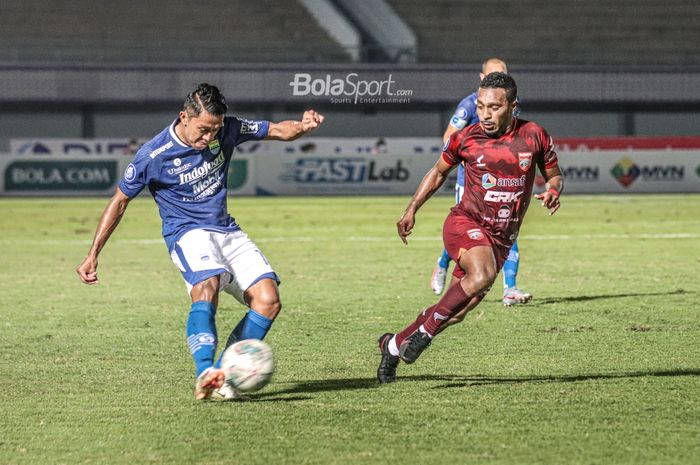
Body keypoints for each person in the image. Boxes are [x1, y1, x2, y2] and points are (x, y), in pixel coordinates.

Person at [77, 83, 324, 400]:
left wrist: (302, 126)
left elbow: (278, 130)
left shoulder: (228, 129)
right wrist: (92, 254)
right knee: (206, 287)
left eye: (215, 130)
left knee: (269, 301)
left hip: (227, 230)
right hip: (187, 233)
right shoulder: (153, 155)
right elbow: (119, 201)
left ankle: (223, 376)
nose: (209, 138)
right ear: (184, 117)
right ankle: (204, 369)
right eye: (204, 130)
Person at [377, 72, 562, 383]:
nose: (485, 114)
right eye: (480, 106)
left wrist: (555, 189)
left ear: (512, 106)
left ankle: (393, 345)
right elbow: (436, 174)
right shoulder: (466, 139)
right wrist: (411, 209)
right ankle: (426, 333)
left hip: (501, 238)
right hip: (465, 223)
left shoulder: (534, 135)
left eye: (493, 107)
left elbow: (554, 175)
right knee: (482, 274)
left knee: (458, 311)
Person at [430, 58, 532, 307]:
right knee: (466, 232)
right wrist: (470, 161)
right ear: (481, 77)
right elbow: (448, 138)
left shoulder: (511, 104)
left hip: (503, 181)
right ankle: (443, 263)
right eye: (493, 74)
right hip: (472, 183)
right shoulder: (468, 105)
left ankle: (510, 289)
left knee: (507, 227)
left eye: (503, 74)